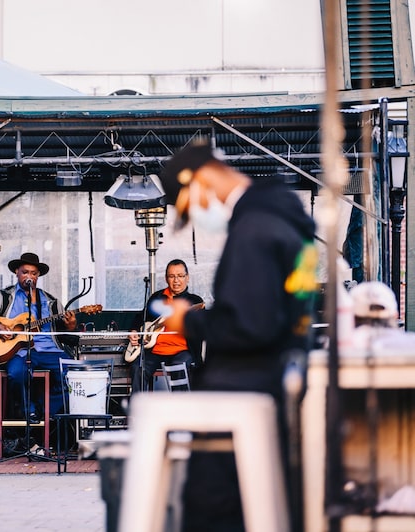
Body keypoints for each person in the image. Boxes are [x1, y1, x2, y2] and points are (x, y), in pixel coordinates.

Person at [158, 140, 318, 532]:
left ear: (204, 178)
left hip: (241, 396)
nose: (195, 216)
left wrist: (187, 322)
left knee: (216, 508)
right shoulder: (283, 221)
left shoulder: (254, 230)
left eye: (188, 205)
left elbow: (249, 325)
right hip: (275, 388)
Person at [0, 252, 77, 423]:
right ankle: (28, 410)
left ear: (38, 275)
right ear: (17, 273)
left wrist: (71, 326)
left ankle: (44, 410)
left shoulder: (51, 302)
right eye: (25, 272)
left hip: (49, 351)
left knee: (73, 373)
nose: (29, 277)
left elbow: (67, 336)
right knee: (16, 373)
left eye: (33, 273)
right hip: (19, 352)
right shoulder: (4, 297)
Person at [127, 259, 203, 393]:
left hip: (182, 351)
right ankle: (138, 409)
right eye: (172, 276)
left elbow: (200, 327)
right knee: (138, 367)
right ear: (166, 279)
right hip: (155, 350)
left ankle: (180, 410)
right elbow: (141, 317)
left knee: (179, 367)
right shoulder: (157, 298)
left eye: (180, 276)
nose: (176, 280)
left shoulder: (194, 301)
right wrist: (133, 330)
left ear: (187, 278)